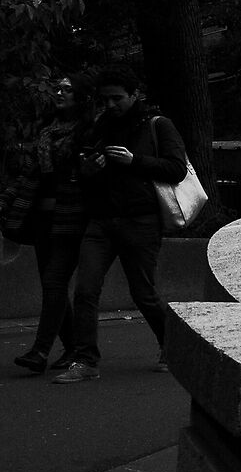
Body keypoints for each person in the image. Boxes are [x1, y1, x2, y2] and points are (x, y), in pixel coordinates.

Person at [54, 68, 188, 383]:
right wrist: (90, 168)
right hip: (101, 221)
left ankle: (173, 344)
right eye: (105, 99)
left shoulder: (157, 125)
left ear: (134, 95)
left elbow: (176, 169)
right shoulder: (99, 127)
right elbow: (84, 172)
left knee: (143, 293)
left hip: (140, 220)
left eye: (118, 98)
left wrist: (134, 161)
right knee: (85, 290)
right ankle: (86, 360)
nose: (112, 105)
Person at [9, 76, 86, 374]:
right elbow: (30, 175)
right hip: (42, 218)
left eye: (68, 89)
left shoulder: (85, 131)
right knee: (51, 282)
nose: (60, 93)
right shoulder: (47, 131)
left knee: (54, 281)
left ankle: (41, 350)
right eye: (58, 88)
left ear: (81, 97)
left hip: (70, 217)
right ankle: (73, 348)